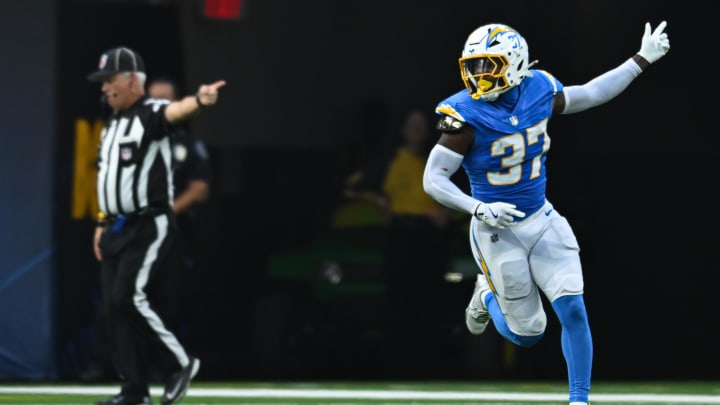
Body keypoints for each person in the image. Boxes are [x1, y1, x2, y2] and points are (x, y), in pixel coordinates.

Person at [422, 22, 669, 405]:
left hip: (541, 219)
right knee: (529, 334)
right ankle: (486, 296)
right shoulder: (463, 114)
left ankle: (579, 400)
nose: (478, 76)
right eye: (473, 67)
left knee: (573, 306)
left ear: (515, 63)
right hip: (495, 231)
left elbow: (589, 93)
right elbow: (433, 178)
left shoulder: (539, 88)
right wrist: (478, 207)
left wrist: (640, 60)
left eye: (487, 65)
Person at [88, 46, 226, 405]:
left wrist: (200, 98)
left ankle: (181, 362)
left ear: (132, 79)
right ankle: (134, 391)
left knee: (127, 298)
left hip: (148, 222)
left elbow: (175, 110)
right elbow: (106, 178)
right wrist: (101, 222)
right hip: (117, 226)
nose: (104, 88)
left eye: (109, 80)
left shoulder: (149, 114)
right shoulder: (112, 124)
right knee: (113, 308)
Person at [146, 77, 213, 348]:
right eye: (153, 101)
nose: (160, 107)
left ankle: (164, 364)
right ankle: (110, 365)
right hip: (134, 233)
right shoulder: (134, 139)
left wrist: (163, 213)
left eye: (166, 101)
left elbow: (200, 189)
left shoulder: (187, 144)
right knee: (124, 298)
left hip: (172, 233)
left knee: (169, 298)